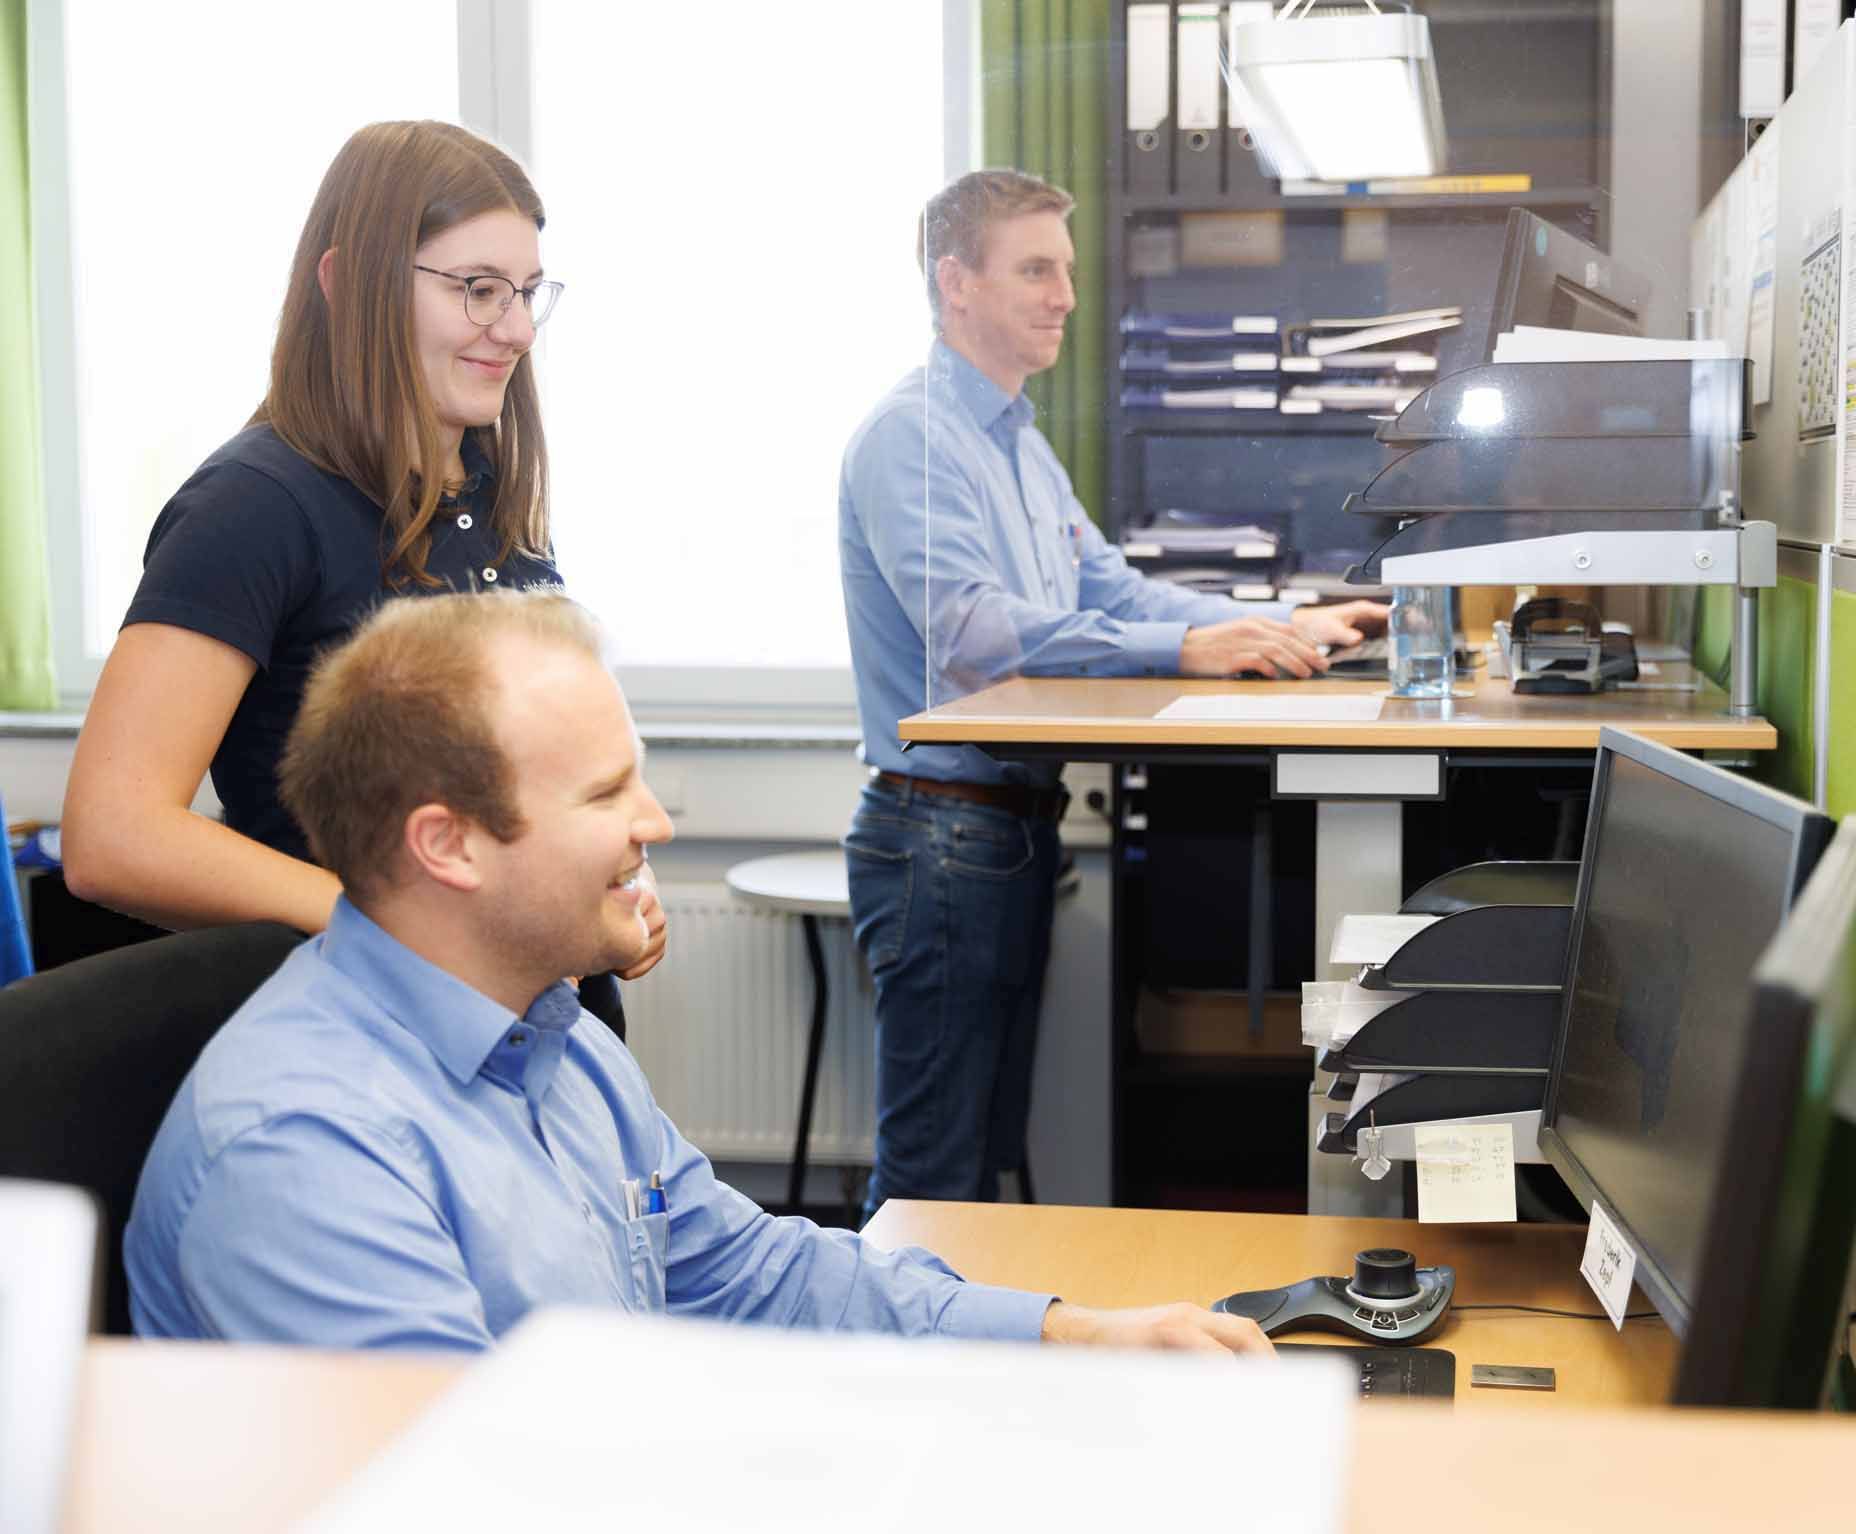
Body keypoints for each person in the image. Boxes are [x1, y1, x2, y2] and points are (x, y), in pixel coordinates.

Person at [124, 590, 1272, 1360]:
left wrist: (1077, 1336)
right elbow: (465, 1489)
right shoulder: (304, 1150)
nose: (655, 822)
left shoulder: (553, 1035)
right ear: (448, 844)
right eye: (604, 792)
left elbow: (752, 1274)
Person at [839, 170, 1388, 1221]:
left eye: (1067, 270)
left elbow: (1112, 588)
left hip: (1003, 831)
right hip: (940, 834)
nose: (1065, 297)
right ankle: (894, 1332)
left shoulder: (1015, 441)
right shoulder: (915, 438)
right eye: (1035, 270)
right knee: (932, 1178)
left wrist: (1276, 624)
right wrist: (1186, 650)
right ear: (955, 282)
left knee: (980, 1159)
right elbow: (972, 635)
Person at [58, 120, 664, 998]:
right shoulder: (252, 506)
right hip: (375, 1034)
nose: (517, 330)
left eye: (528, 293)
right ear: (347, 284)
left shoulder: (488, 485)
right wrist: (411, 931)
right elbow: (113, 835)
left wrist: (609, 881)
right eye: (479, 290)